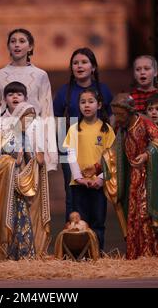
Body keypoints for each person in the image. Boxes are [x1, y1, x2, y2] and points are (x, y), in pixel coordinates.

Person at [0, 82, 50, 261]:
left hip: (24, 178)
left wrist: (29, 157)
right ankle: (2, 252)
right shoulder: (0, 123)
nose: (15, 97)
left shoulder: (34, 123)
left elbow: (38, 156)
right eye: (11, 94)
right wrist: (10, 160)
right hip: (5, 179)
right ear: (4, 99)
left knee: (23, 215)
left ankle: (23, 253)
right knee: (6, 214)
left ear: (26, 99)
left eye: (19, 94)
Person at [106, 93, 158, 260]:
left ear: (130, 112)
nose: (118, 118)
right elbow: (113, 153)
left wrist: (146, 155)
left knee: (146, 217)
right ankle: (136, 255)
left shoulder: (144, 123)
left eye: (120, 115)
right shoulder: (122, 130)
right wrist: (95, 167)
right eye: (115, 114)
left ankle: (152, 254)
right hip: (132, 181)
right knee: (133, 218)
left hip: (148, 179)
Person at [53, 47, 113, 222]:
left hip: (96, 146)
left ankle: (95, 238)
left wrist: (108, 145)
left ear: (93, 67)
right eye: (75, 63)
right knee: (72, 194)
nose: (79, 66)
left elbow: (112, 117)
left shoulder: (103, 89)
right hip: (70, 148)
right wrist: (63, 149)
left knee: (95, 193)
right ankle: (73, 238)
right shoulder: (64, 91)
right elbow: (57, 120)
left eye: (84, 62)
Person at [0, 28, 57, 172]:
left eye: (22, 41)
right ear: (8, 47)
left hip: (34, 137)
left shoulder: (40, 75)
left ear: (30, 47)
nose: (17, 45)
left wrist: (50, 154)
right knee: (8, 189)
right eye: (13, 41)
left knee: (33, 190)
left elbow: (47, 113)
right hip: (6, 139)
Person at [63, 88, 115, 250]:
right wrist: (79, 177)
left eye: (91, 102)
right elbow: (70, 155)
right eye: (83, 102)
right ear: (78, 105)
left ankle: (97, 255)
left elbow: (110, 157)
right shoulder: (74, 129)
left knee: (98, 222)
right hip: (79, 185)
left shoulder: (106, 129)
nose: (87, 105)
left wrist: (100, 178)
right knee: (80, 223)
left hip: (98, 185)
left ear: (99, 105)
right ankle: (82, 255)